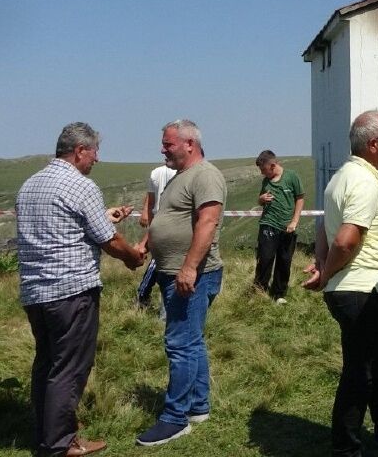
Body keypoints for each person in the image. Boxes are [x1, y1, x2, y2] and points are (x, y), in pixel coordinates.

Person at [16, 122, 145, 457]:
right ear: (80, 151)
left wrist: (105, 217)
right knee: (69, 367)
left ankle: (47, 431)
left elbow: (61, 226)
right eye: (94, 152)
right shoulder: (81, 185)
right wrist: (132, 257)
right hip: (72, 291)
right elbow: (110, 241)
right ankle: (60, 445)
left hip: (36, 292)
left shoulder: (30, 185)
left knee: (46, 362)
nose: (97, 160)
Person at [303, 110, 378, 456]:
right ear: (373, 144)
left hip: (359, 288)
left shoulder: (341, 177)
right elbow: (347, 240)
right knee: (362, 371)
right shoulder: (364, 183)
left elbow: (324, 226)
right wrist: (328, 273)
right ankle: (346, 447)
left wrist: (323, 265)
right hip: (361, 290)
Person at [136, 119, 227, 447]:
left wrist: (189, 268)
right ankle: (198, 406)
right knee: (191, 340)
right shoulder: (179, 177)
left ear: (190, 143)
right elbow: (168, 219)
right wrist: (146, 244)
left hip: (191, 276)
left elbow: (208, 221)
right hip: (172, 271)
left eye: (168, 143)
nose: (162, 149)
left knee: (180, 343)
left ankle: (175, 419)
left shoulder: (205, 175)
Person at [254, 150, 305, 304]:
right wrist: (261, 199)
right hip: (268, 224)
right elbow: (261, 200)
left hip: (287, 226)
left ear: (273, 165)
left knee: (284, 260)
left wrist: (294, 221)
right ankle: (259, 291)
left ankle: (279, 294)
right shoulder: (266, 182)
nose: (262, 173)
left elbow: (300, 198)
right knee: (265, 258)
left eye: (264, 170)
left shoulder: (292, 177)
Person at [136, 163, 177, 312]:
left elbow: (151, 197)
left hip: (161, 221)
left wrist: (146, 211)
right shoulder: (179, 173)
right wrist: (146, 211)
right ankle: (143, 294)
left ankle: (143, 294)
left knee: (159, 261)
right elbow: (151, 196)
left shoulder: (157, 172)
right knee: (159, 261)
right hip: (168, 223)